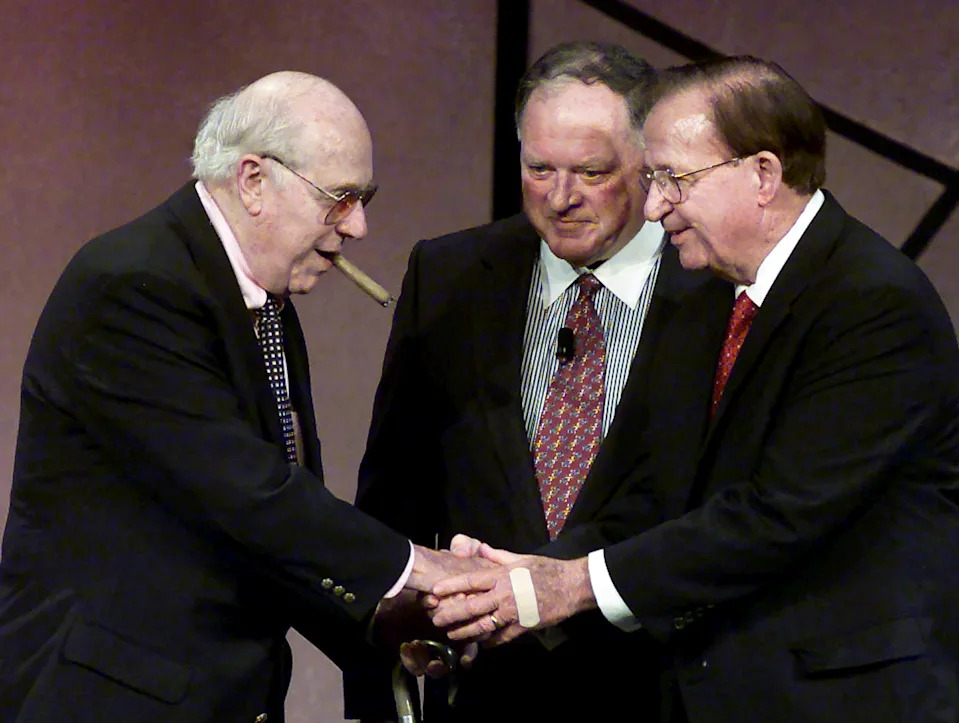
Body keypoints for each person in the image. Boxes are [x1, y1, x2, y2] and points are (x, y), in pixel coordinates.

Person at [429, 55, 959, 722]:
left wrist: (569, 585)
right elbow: (662, 492)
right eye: (651, 181)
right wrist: (522, 575)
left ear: (762, 175)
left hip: (841, 698)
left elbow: (775, 515)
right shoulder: (713, 300)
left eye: (673, 180)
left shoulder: (871, 302)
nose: (654, 208)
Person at [0, 71, 482, 722]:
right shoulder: (133, 285)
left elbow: (267, 528)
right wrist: (419, 568)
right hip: (108, 700)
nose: (359, 226)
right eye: (340, 198)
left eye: (364, 199)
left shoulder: (266, 304)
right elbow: (248, 494)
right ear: (253, 180)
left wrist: (388, 621)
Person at [343, 42, 708, 722]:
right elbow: (393, 497)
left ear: (649, 164)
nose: (561, 198)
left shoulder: (714, 285)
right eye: (539, 169)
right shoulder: (450, 275)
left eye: (592, 172)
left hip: (668, 688)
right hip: (486, 694)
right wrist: (378, 688)